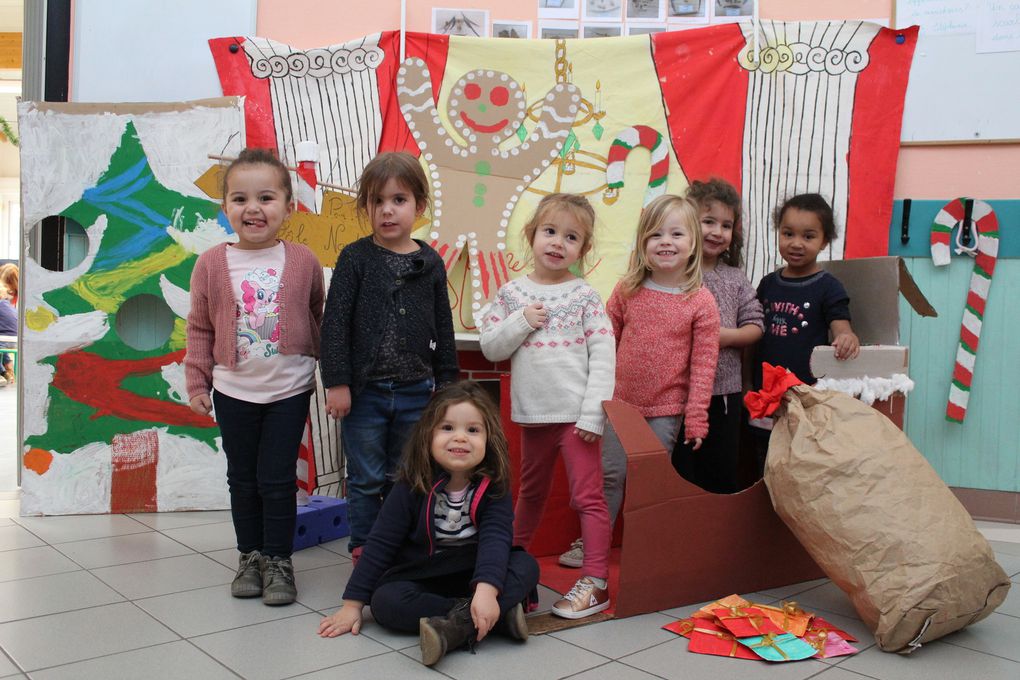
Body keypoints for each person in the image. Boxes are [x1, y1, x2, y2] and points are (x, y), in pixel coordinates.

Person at [185, 147, 324, 606]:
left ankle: (279, 560)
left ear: (288, 205)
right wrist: (197, 381)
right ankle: (250, 556)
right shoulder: (209, 264)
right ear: (224, 208)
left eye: (266, 198)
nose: (253, 209)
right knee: (242, 477)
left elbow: (317, 314)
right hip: (233, 389)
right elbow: (200, 326)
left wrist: (333, 372)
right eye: (240, 199)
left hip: (289, 387)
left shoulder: (303, 260)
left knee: (278, 478)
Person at [318, 382, 538, 667]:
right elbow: (381, 543)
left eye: (472, 430)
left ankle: (457, 625)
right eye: (447, 428)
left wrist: (486, 591)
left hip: (475, 569)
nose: (460, 438)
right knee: (385, 602)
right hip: (425, 572)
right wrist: (352, 605)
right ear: (428, 435)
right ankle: (494, 616)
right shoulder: (412, 483)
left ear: (489, 438)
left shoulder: (494, 486)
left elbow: (496, 540)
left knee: (526, 566)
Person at [560, 195, 720, 569]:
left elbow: (703, 365)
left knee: (649, 480)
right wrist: (590, 395)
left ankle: (645, 545)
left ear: (693, 242)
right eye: (656, 235)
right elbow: (602, 344)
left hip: (666, 409)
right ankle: (592, 543)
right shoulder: (627, 290)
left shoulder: (700, 301)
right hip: (619, 405)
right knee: (610, 475)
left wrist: (696, 418)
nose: (666, 241)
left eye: (676, 233)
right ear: (643, 244)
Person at [479, 193, 615, 619]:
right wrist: (522, 320)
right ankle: (511, 565)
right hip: (533, 415)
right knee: (530, 492)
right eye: (550, 231)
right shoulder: (511, 293)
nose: (558, 242)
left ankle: (595, 581)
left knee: (587, 497)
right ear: (531, 235)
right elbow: (489, 346)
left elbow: (604, 355)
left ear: (583, 249)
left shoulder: (585, 296)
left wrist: (594, 412)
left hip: (577, 418)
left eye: (571, 237)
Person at [320, 152, 458, 563]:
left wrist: (447, 385)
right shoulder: (355, 258)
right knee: (363, 478)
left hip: (417, 391)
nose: (387, 210)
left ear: (419, 205)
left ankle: (401, 546)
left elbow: (442, 324)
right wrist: (337, 383)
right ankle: (364, 550)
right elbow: (335, 323)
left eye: (398, 200)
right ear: (365, 207)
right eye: (376, 201)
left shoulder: (429, 261)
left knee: (407, 476)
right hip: (365, 393)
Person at [751, 193, 860, 470]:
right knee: (763, 462)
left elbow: (840, 326)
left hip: (805, 398)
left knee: (799, 464)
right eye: (788, 233)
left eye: (808, 236)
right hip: (765, 397)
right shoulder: (767, 284)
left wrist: (846, 336)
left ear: (824, 241)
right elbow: (753, 337)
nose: (796, 243)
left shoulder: (829, 287)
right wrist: (746, 386)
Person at [672, 180, 762, 493]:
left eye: (726, 225)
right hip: (677, 394)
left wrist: (721, 337)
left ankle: (715, 538)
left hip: (724, 396)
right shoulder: (673, 273)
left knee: (720, 471)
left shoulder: (735, 278)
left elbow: (755, 326)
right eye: (708, 221)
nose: (716, 232)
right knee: (681, 473)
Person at [0, 263, 16, 384]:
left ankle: (2, 373)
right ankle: (7, 370)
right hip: (14, 337)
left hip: (6, 339)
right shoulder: (6, 303)